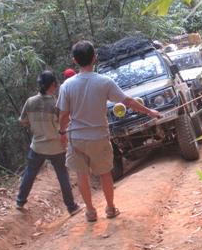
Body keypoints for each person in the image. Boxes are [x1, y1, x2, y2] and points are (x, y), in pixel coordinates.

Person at [57, 40, 161, 222]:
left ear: (75, 61)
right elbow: (127, 101)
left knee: (82, 175)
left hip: (77, 138)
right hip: (99, 136)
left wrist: (62, 133)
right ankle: (111, 208)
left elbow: (64, 115)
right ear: (95, 58)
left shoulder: (66, 86)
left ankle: (90, 212)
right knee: (105, 173)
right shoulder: (104, 82)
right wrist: (149, 112)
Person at [17, 71, 80, 216]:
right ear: (52, 85)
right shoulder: (56, 104)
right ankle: (71, 207)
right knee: (62, 175)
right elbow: (64, 121)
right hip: (55, 146)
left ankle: (20, 201)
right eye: (55, 83)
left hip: (37, 145)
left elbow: (23, 121)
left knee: (30, 172)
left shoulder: (30, 101)